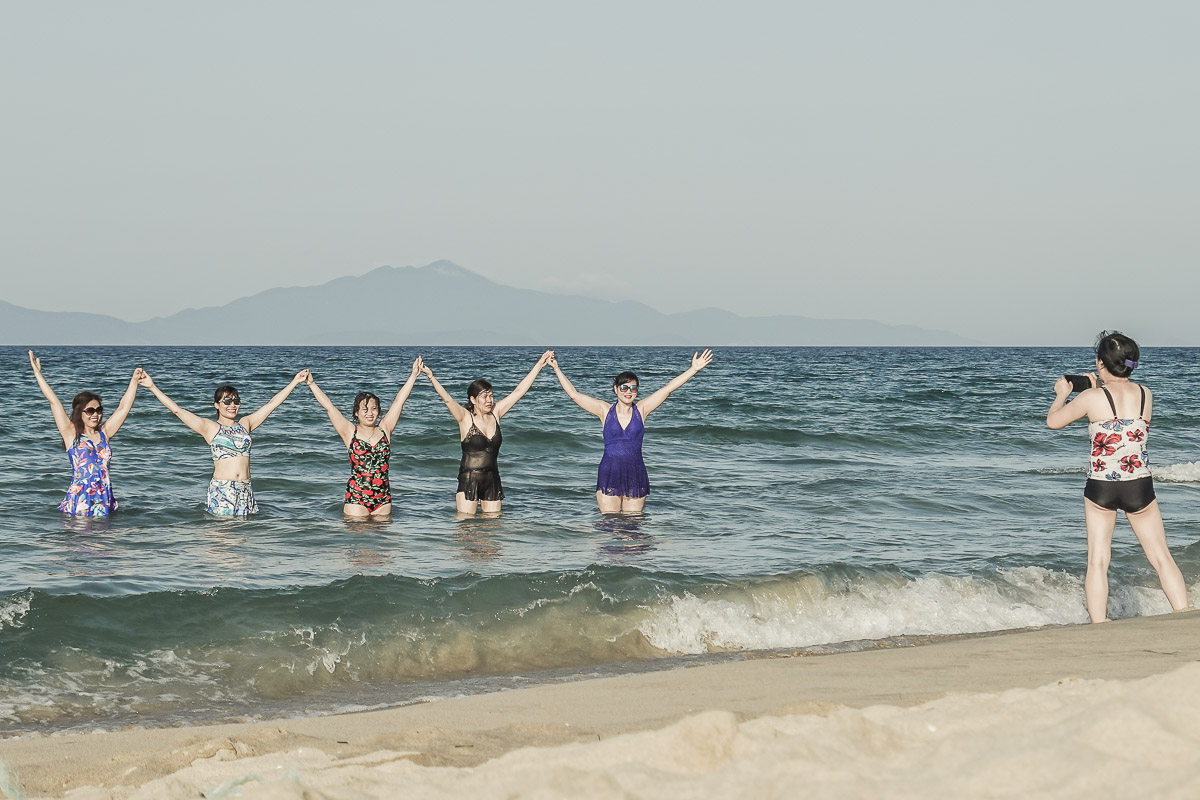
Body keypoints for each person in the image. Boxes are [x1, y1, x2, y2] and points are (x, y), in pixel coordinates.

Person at [1046, 331, 1189, 623]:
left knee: (1098, 561)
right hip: (1139, 485)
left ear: (1100, 364)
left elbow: (1053, 422)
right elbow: (1122, 400)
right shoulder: (1146, 394)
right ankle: (1184, 616)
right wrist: (1103, 380)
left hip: (1101, 487)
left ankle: (1099, 625)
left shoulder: (1090, 397)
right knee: (1161, 558)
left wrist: (1063, 394)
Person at [549, 349, 713, 513]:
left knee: (633, 529)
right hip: (609, 471)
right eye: (624, 387)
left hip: (635, 472)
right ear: (615, 389)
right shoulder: (604, 410)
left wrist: (693, 370)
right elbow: (574, 395)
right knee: (608, 525)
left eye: (633, 388)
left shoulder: (642, 410)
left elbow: (667, 389)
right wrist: (556, 368)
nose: (629, 391)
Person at [137, 369, 310, 516]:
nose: (232, 405)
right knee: (224, 543)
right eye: (227, 401)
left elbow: (272, 404)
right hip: (222, 490)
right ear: (217, 405)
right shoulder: (209, 427)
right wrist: (152, 387)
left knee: (242, 544)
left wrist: (295, 382)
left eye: (236, 401)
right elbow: (177, 410)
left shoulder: (246, 423)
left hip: (246, 489)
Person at [420, 351, 553, 515]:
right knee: (466, 528)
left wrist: (539, 365)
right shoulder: (465, 418)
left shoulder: (496, 413)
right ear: (473, 400)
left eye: (491, 395)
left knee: (492, 530)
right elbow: (447, 399)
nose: (489, 400)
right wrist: (431, 376)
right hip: (469, 479)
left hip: (492, 479)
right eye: (484, 396)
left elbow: (519, 391)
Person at [305, 357, 423, 518]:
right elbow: (329, 407)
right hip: (356, 498)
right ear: (356, 412)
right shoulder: (349, 432)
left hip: (383, 498)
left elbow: (399, 401)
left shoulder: (385, 429)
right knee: (358, 541)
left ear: (379, 411)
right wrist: (311, 383)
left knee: (382, 542)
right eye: (365, 409)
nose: (370, 413)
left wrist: (414, 375)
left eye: (374, 409)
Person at [29, 350, 143, 516]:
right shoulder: (70, 434)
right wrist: (37, 373)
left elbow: (123, 408)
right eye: (90, 410)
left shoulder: (105, 433)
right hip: (80, 502)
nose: (95, 414)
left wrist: (134, 382)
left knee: (104, 541)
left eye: (98, 410)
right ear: (80, 412)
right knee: (82, 541)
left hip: (104, 500)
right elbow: (54, 401)